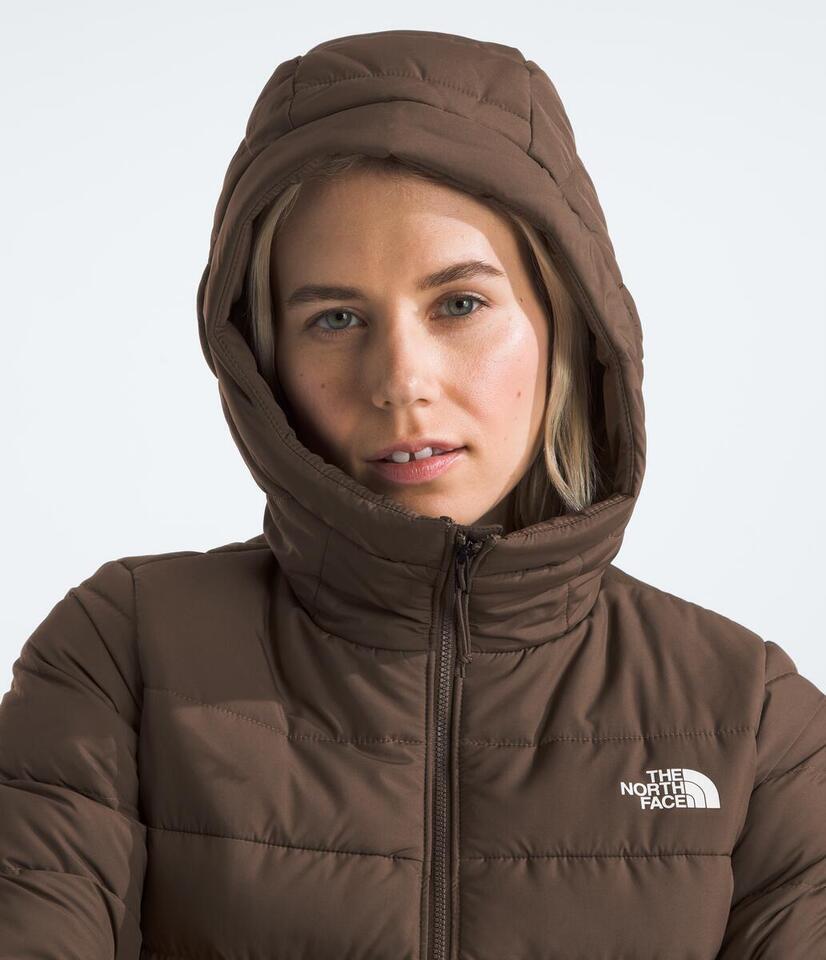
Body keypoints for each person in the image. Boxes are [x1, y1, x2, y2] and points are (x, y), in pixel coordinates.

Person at [1, 27, 823, 959]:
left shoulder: (750, 720)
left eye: (460, 304)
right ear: (263, 361)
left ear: (568, 322)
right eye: (334, 318)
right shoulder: (122, 655)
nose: (400, 379)